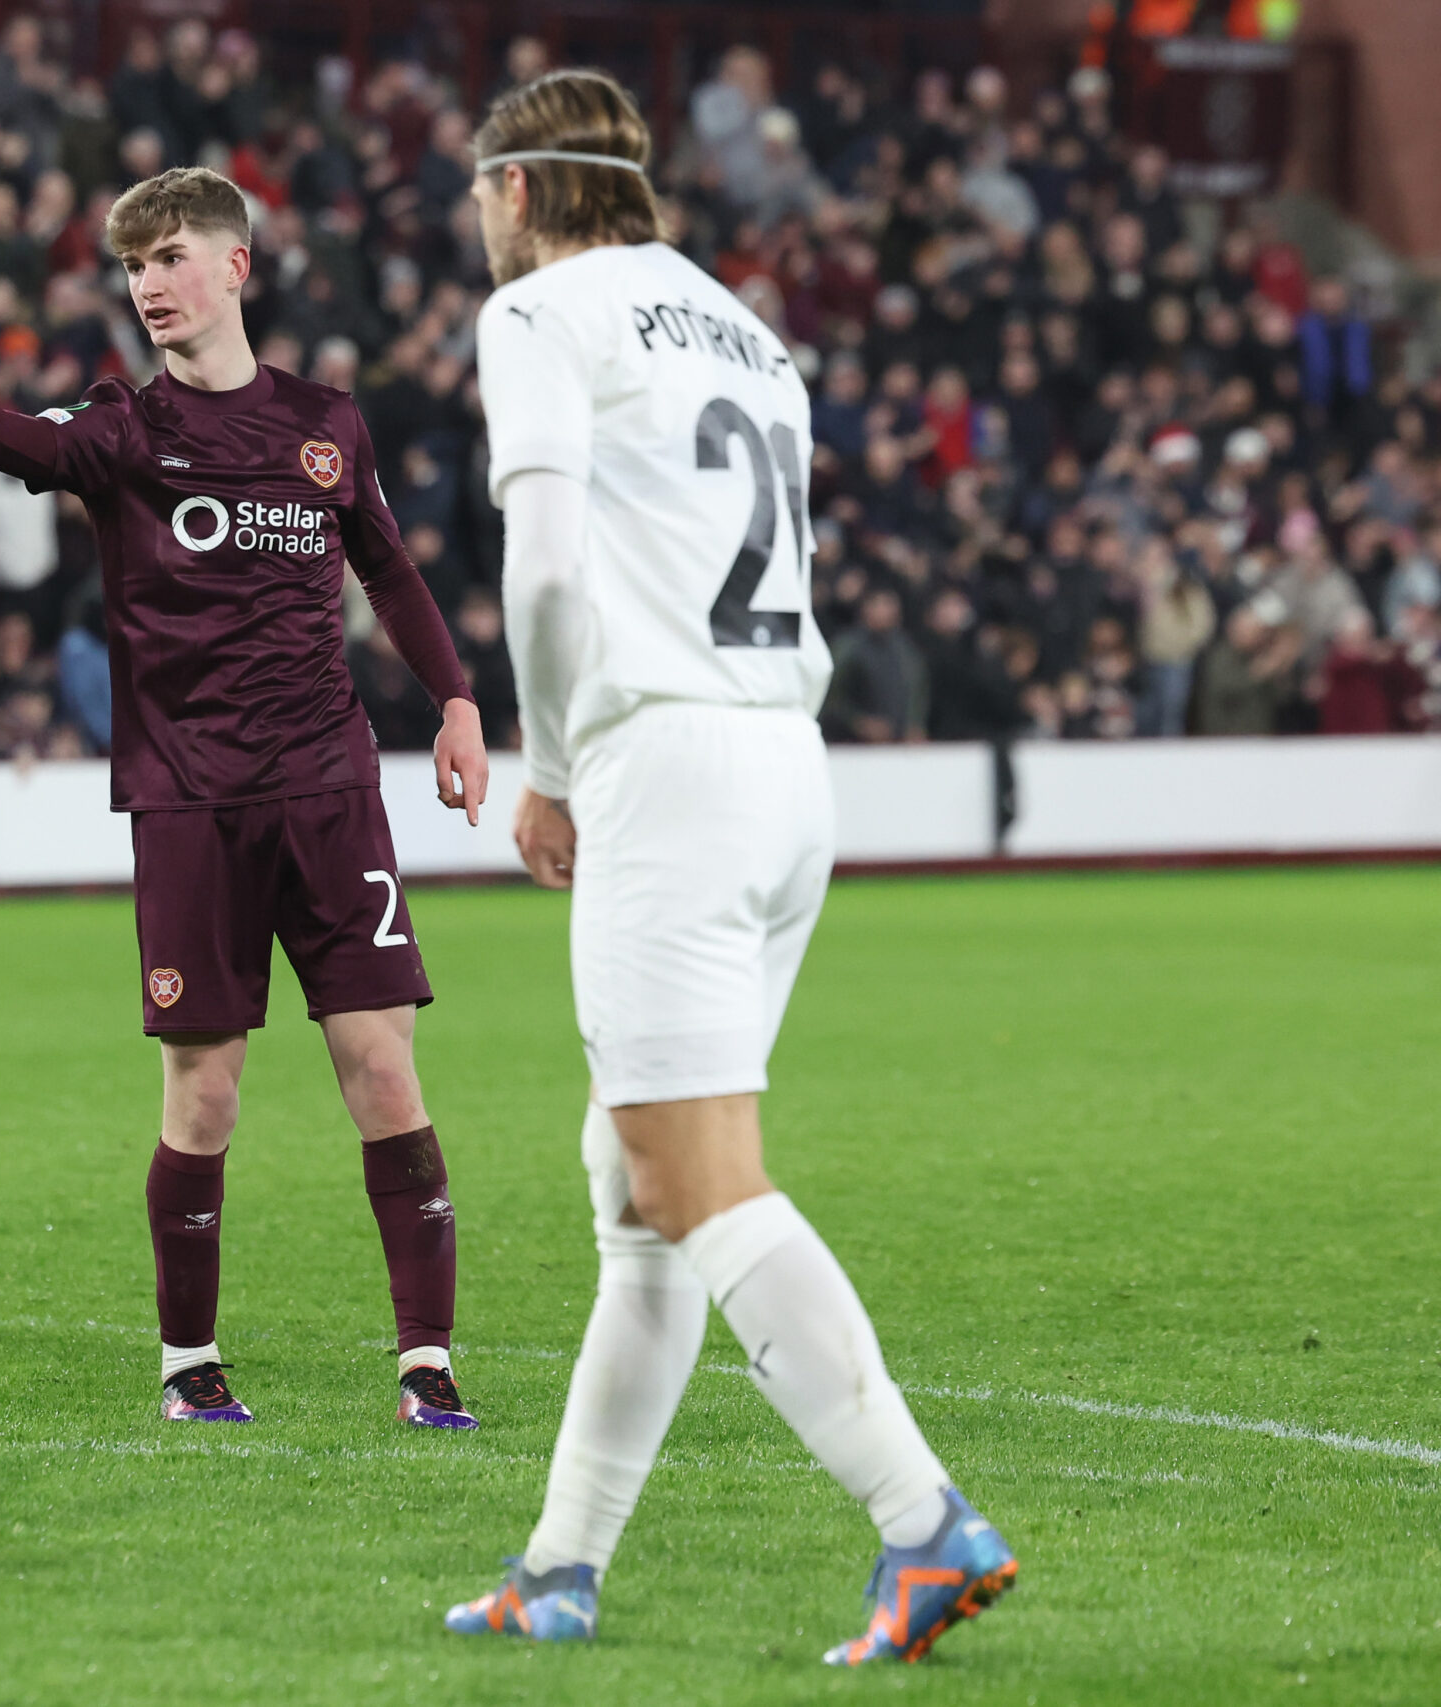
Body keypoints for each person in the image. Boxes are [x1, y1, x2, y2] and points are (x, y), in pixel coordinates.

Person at [445, 70, 1017, 1662]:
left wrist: (550, 766)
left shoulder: (544, 312)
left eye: (481, 193)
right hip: (783, 764)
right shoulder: (744, 328)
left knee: (699, 1179)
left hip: (666, 762)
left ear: (518, 191)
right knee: (640, 1190)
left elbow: (547, 565)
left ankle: (924, 1521)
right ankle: (560, 1565)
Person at [0, 165, 492, 1429]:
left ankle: (427, 1361)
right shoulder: (125, 429)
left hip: (330, 786)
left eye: (171, 257)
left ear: (236, 266)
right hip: (190, 802)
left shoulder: (328, 424)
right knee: (206, 1089)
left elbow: (390, 575)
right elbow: (15, 440)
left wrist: (454, 701)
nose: (149, 284)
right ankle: (189, 1364)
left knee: (384, 1073)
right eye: (134, 266)